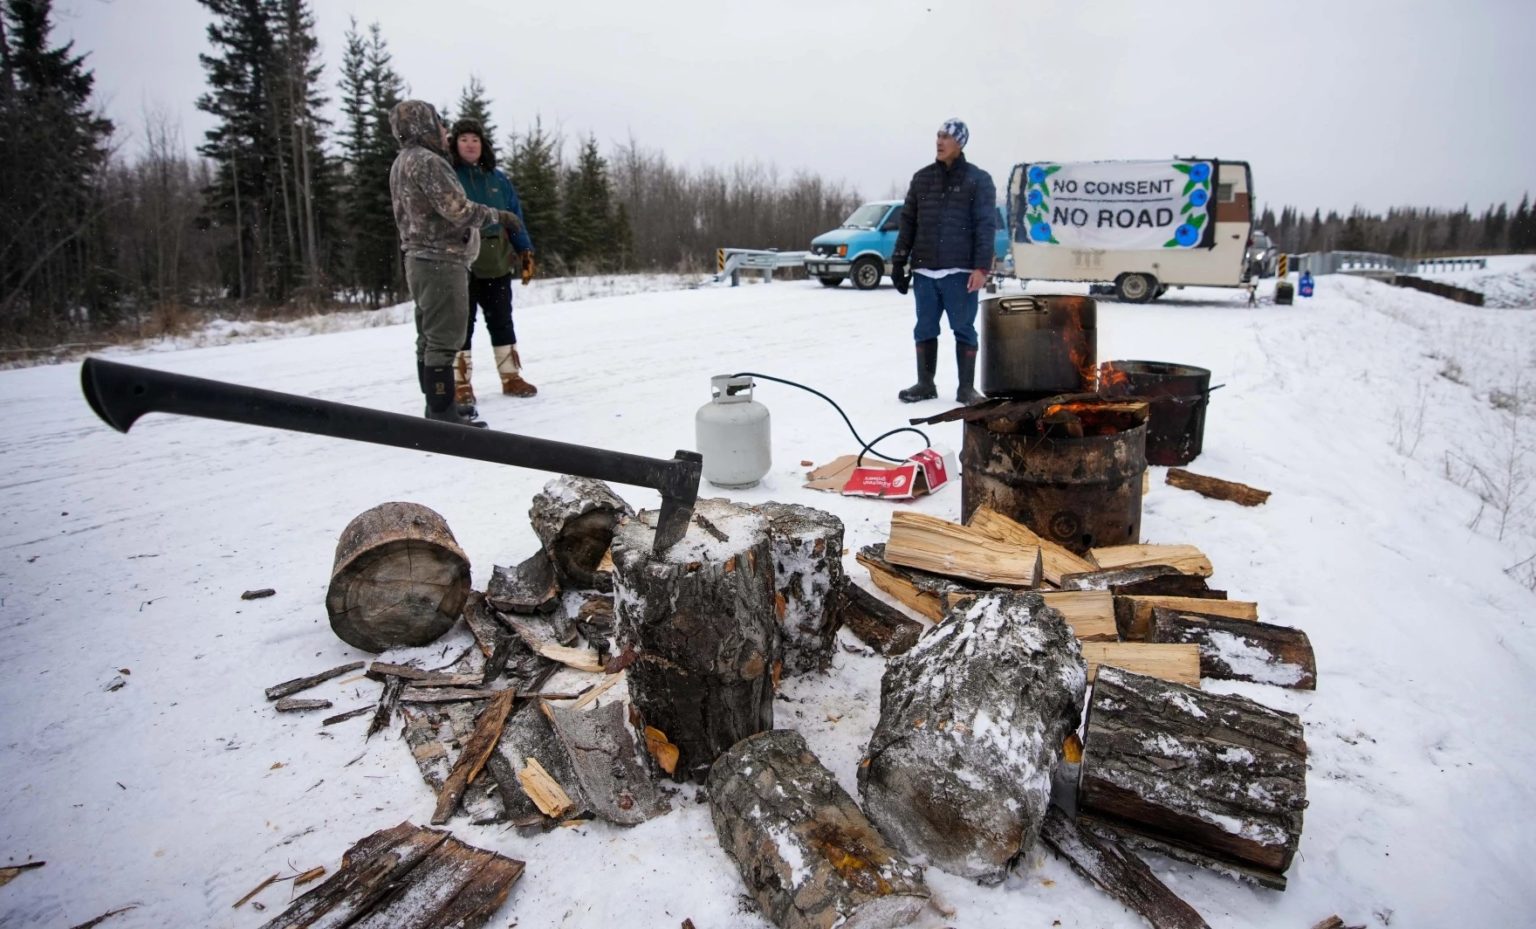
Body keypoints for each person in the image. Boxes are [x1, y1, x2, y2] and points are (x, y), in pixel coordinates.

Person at [387, 100, 522, 426]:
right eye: (439, 124)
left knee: (429, 336)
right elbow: (458, 209)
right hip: (441, 261)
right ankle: (442, 411)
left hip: (420, 259)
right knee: (445, 338)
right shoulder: (428, 162)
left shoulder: (402, 161)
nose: (444, 131)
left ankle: (436, 407)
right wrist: (497, 216)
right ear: (424, 126)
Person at [889, 118, 997, 405]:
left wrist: (981, 267)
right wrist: (899, 261)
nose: (939, 141)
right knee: (924, 328)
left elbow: (985, 225)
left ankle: (966, 389)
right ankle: (925, 384)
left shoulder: (978, 180)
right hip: (925, 270)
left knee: (963, 328)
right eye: (938, 135)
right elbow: (908, 221)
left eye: (946, 137)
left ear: (959, 143)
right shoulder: (922, 178)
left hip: (960, 272)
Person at [449, 118, 538, 416]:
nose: (470, 144)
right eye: (464, 140)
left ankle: (511, 377)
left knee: (502, 320)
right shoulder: (449, 177)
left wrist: (525, 249)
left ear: (483, 145)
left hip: (497, 259)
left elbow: (515, 216)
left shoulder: (499, 180)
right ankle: (461, 383)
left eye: (475, 139)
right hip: (462, 260)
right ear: (455, 144)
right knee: (463, 323)